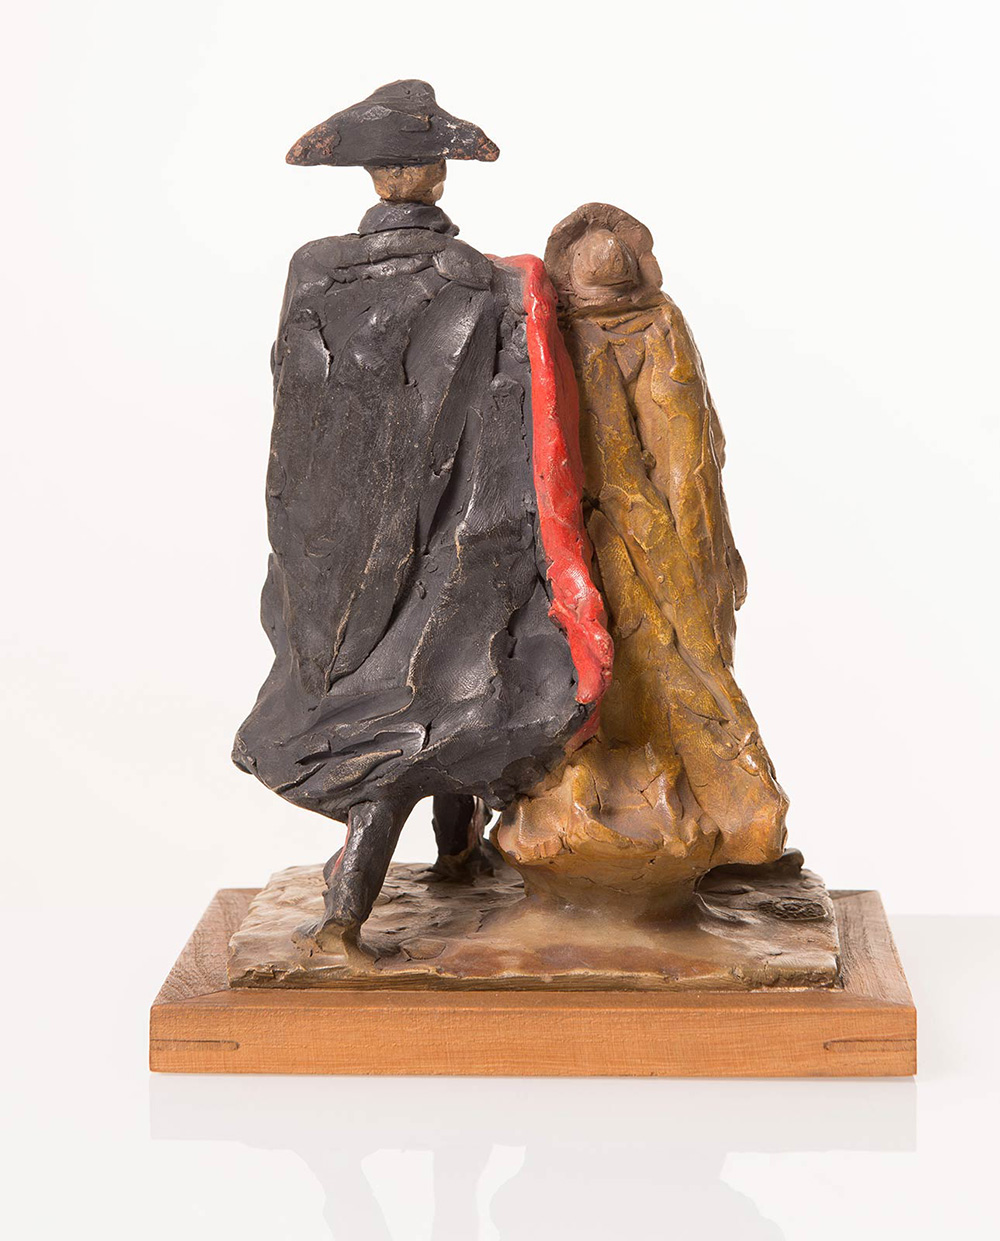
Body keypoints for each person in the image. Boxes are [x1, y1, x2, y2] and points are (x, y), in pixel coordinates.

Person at [233, 84, 611, 947]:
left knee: (424, 691)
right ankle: (345, 920)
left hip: (333, 539)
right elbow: (518, 420)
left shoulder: (314, 269)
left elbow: (295, 408)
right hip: (460, 526)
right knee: (431, 701)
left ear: (370, 177)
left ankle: (454, 855)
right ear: (439, 176)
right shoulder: (486, 281)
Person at [495, 203, 788, 913]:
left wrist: (696, 549)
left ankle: (722, 812)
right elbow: (684, 459)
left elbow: (686, 455)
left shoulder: (628, 330)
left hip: (617, 538)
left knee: (666, 663)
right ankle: (684, 803)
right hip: (606, 541)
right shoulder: (640, 328)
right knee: (650, 664)